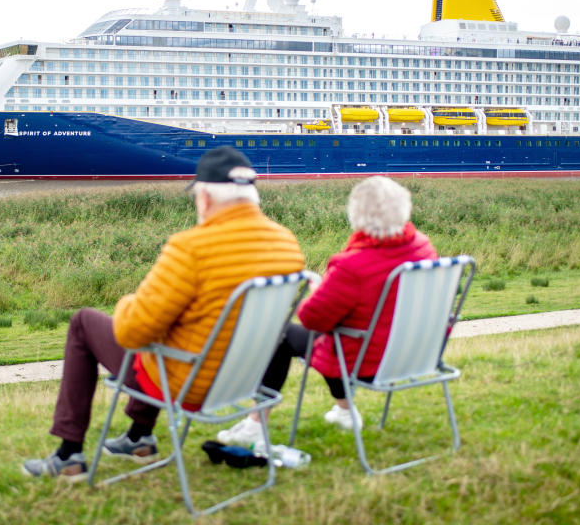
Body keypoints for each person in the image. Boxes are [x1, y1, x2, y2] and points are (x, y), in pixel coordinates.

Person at [23, 147, 305, 479]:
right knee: (172, 330)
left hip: (188, 384)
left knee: (85, 322)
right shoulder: (287, 242)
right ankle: (138, 437)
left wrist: (128, 301)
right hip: (242, 381)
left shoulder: (191, 248)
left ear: (205, 198)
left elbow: (131, 333)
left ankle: (68, 454)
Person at [217, 176, 437, 446]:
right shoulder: (422, 247)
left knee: (281, 334)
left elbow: (313, 319)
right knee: (338, 339)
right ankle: (344, 412)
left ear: (356, 215)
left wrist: (314, 293)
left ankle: (255, 424)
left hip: (368, 361)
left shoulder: (352, 264)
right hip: (416, 355)